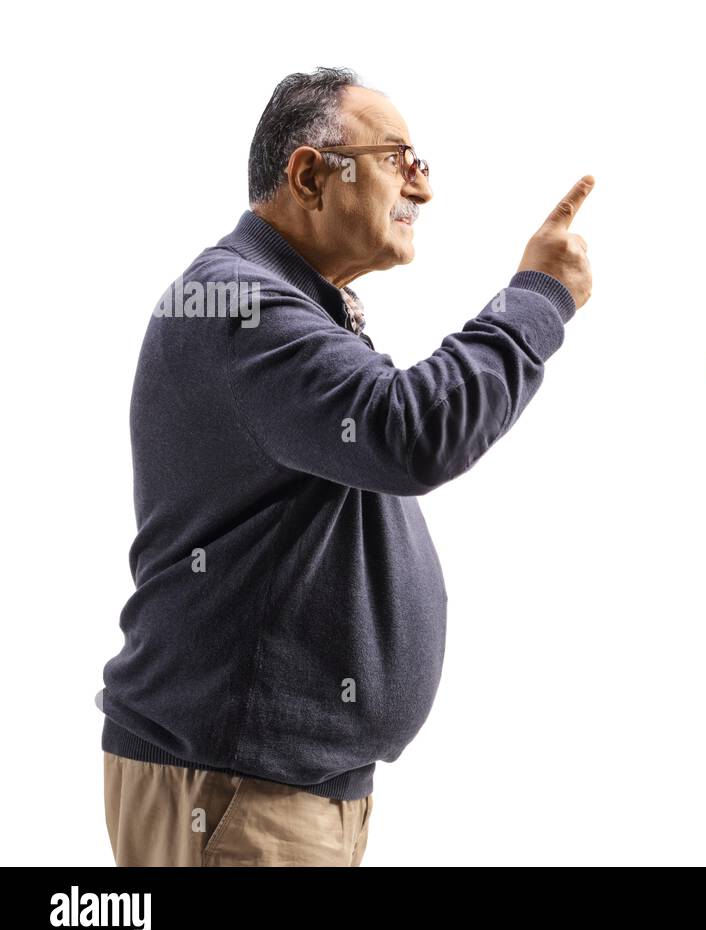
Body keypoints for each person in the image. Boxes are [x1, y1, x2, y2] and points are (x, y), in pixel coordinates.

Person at [98, 67, 593, 865]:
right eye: (400, 157)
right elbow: (410, 432)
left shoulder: (286, 303)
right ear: (308, 174)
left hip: (279, 788)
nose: (423, 187)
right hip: (234, 791)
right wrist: (538, 296)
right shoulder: (239, 305)